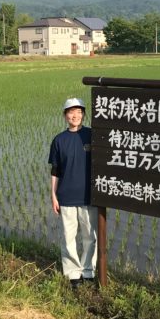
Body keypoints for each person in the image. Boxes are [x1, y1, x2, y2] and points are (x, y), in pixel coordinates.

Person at [49, 97, 98, 288]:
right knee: (68, 237)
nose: (75, 115)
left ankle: (89, 271)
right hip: (66, 196)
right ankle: (72, 273)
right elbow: (55, 170)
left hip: (89, 196)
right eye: (71, 112)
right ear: (65, 116)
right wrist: (53, 195)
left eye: (78, 111)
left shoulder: (92, 135)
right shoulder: (59, 140)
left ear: (83, 114)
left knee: (89, 236)